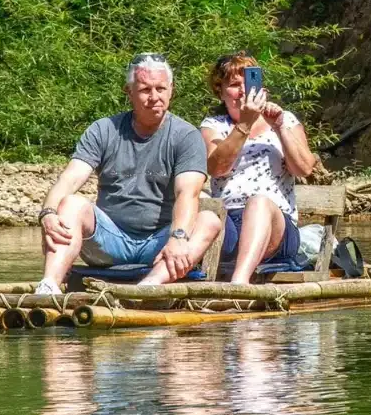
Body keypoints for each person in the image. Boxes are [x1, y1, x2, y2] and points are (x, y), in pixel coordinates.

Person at [35, 53, 223, 294]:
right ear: (129, 91)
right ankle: (49, 284)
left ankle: (148, 287)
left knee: (209, 220)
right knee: (70, 204)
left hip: (161, 242)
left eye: (160, 89)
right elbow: (70, 178)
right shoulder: (103, 129)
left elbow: (188, 193)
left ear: (171, 90)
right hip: (110, 240)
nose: (154, 97)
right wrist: (48, 213)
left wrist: (178, 237)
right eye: (145, 90)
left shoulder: (186, 136)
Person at [200, 53, 318, 284]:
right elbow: (217, 169)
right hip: (228, 223)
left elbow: (304, 168)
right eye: (234, 85)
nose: (243, 91)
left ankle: (239, 283)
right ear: (221, 91)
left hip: (277, 226)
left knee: (259, 202)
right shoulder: (213, 126)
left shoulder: (285, 120)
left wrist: (279, 127)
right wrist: (244, 123)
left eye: (248, 83)